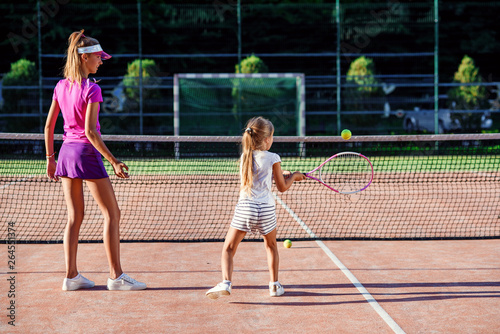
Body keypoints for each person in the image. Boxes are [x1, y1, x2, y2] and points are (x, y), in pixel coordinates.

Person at [44, 30, 146, 291]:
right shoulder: (93, 88)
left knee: (74, 217)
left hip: (66, 153)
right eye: (98, 57)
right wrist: (112, 160)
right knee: (112, 213)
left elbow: (48, 128)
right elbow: (90, 132)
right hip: (86, 154)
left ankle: (71, 276)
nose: (101, 61)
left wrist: (50, 159)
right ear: (85, 58)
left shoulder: (60, 86)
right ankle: (116, 276)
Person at [206, 116, 305, 299]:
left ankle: (226, 283)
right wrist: (295, 176)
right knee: (271, 246)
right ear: (267, 140)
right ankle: (274, 286)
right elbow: (282, 187)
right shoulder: (274, 157)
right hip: (266, 210)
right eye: (272, 137)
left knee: (228, 248)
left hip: (246, 209)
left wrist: (279, 174)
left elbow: (256, 177)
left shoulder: (245, 156)